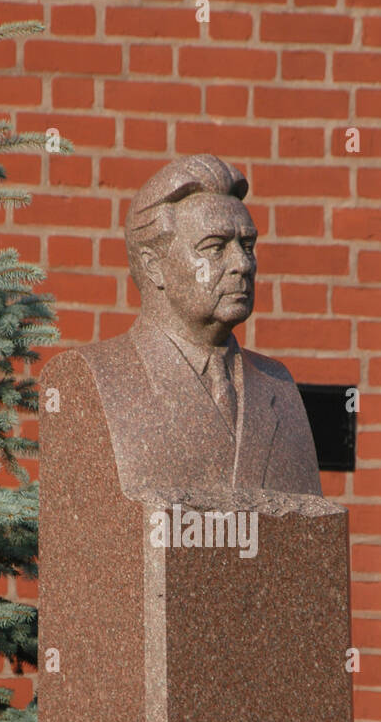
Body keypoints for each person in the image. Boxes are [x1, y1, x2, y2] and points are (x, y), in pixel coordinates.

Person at [78, 154, 322, 497]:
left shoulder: (278, 386)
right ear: (154, 266)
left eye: (247, 245)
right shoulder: (94, 378)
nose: (242, 264)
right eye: (215, 247)